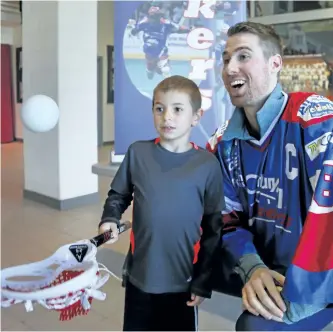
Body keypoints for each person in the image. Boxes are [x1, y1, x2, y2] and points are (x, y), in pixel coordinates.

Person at [207, 21, 333, 331]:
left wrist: (304, 294)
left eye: (243, 56)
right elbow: (227, 218)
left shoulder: (316, 121)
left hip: (319, 281)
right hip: (271, 269)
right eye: (226, 59)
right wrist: (252, 267)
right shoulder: (223, 144)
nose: (229, 68)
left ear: (275, 63)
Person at [99, 75, 225, 331]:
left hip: (183, 281)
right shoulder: (138, 153)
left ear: (196, 116)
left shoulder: (207, 165)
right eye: (160, 108)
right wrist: (109, 218)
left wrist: (202, 281)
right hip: (140, 279)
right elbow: (118, 195)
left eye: (178, 109)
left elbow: (214, 228)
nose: (167, 116)